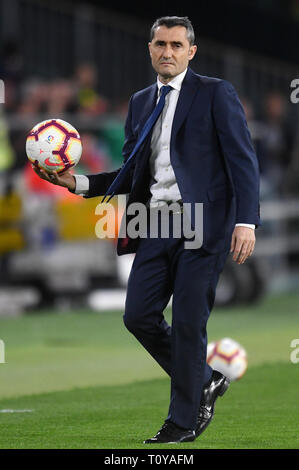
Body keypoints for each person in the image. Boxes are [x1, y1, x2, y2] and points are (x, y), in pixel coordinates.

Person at [33, 16, 260, 444]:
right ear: (150, 49)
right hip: (155, 222)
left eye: (177, 45)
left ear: (191, 51)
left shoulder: (215, 93)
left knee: (190, 323)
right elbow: (133, 172)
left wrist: (246, 221)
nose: (168, 52)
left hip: (203, 222)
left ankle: (182, 421)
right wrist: (80, 183)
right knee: (137, 316)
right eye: (160, 44)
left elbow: (242, 159)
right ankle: (206, 380)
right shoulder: (140, 102)